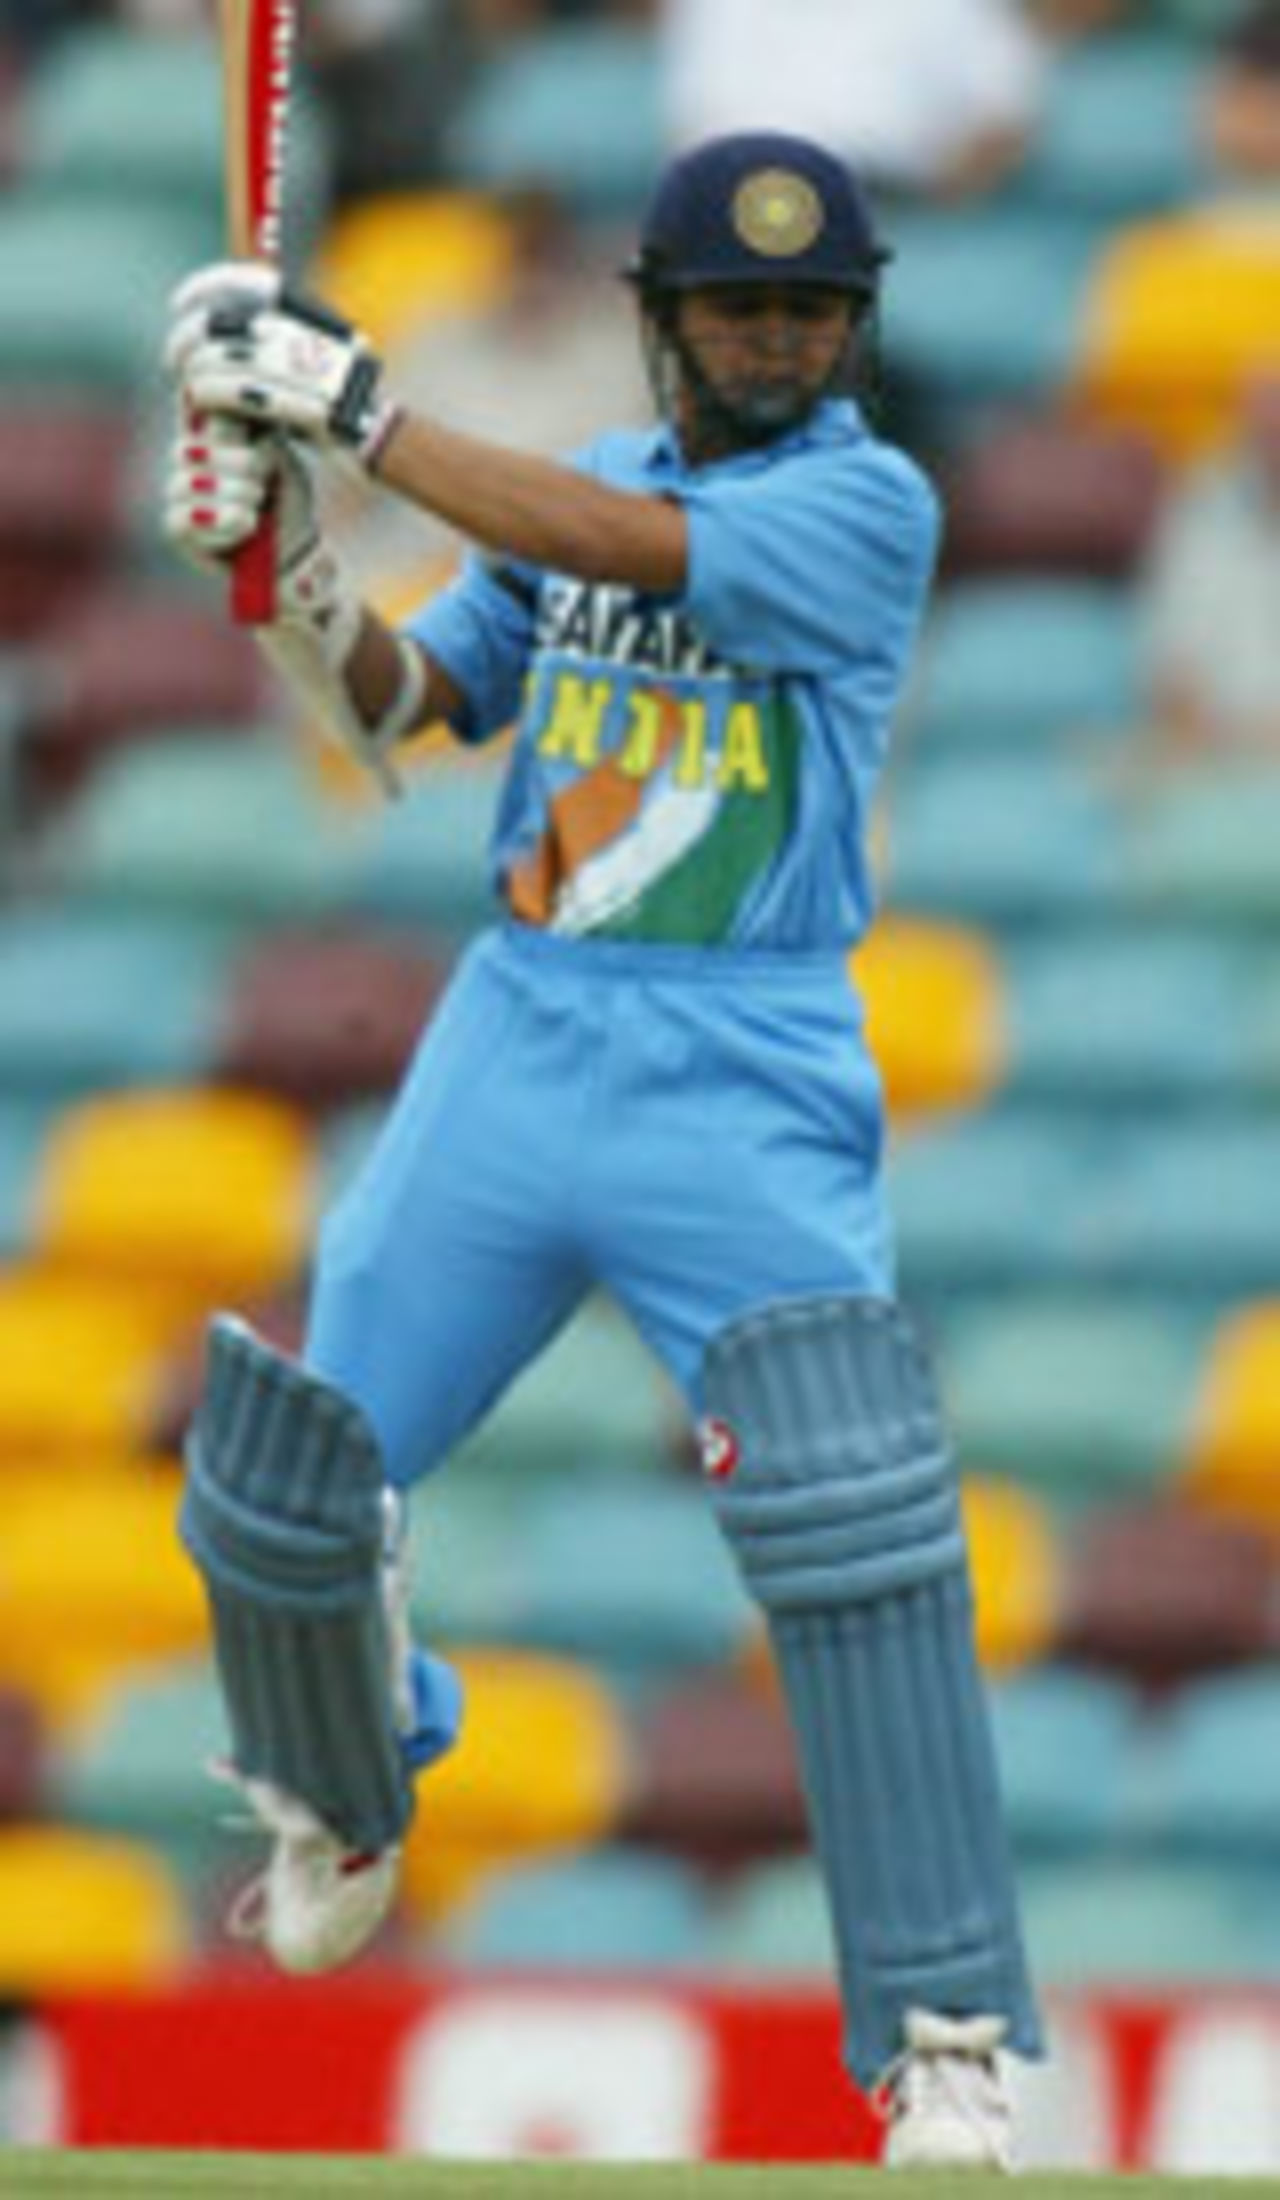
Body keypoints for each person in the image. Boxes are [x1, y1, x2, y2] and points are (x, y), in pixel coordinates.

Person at [163, 128, 1042, 2171]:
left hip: (742, 1054)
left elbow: (633, 557)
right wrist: (289, 565)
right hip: (522, 1027)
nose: (771, 342)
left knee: (852, 1513)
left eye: (808, 312)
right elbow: (403, 699)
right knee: (287, 1481)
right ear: (663, 321)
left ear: (855, 331)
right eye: (735, 310)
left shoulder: (865, 502)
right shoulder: (579, 485)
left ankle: (941, 2032)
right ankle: (347, 1770)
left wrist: (355, 409)